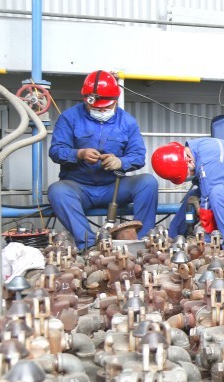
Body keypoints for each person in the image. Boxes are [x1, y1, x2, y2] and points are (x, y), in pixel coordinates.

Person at [48, 70, 158, 250]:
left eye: (106, 108)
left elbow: (138, 156)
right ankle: (90, 246)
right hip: (80, 188)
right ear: (86, 100)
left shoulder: (128, 122)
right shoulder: (69, 118)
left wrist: (120, 162)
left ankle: (143, 244)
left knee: (148, 183)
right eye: (96, 108)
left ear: (116, 100)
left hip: (114, 187)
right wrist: (79, 154)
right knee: (58, 191)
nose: (101, 111)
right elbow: (55, 151)